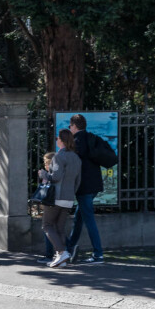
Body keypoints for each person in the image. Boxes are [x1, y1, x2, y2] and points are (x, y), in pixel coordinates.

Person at [65, 113, 105, 264]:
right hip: (94, 185)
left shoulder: (76, 142)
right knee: (79, 218)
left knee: (89, 220)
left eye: (70, 126)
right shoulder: (91, 137)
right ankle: (69, 247)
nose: (70, 129)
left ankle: (98, 254)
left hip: (84, 187)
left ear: (74, 126)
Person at [42, 130, 82, 268]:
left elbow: (56, 177)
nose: (57, 140)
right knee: (59, 228)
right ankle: (62, 260)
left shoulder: (59, 156)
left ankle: (61, 252)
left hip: (56, 197)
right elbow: (78, 181)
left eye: (58, 138)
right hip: (69, 198)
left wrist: (45, 174)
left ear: (62, 141)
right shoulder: (76, 158)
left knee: (47, 225)